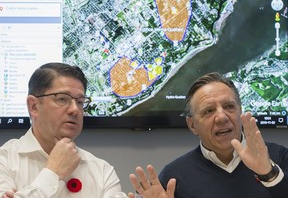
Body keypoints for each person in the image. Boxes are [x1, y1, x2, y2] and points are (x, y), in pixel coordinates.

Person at [128, 72, 288, 198]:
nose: (222, 117)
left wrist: (268, 173)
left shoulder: (278, 157)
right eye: (208, 111)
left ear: (240, 111)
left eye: (229, 106)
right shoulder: (173, 177)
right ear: (192, 125)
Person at [0, 62, 122, 198]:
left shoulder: (102, 171)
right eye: (62, 99)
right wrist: (53, 172)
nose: (75, 109)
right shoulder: (4, 161)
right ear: (34, 106)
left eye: (80, 102)